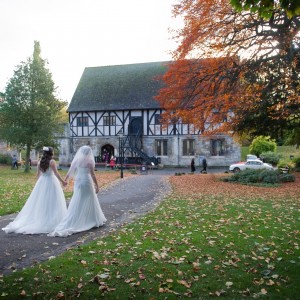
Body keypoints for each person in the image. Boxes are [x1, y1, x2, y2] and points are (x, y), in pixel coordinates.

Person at [3, 147, 67, 234]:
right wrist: (63, 182)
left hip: (42, 181)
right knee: (52, 201)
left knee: (41, 201)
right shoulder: (52, 162)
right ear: (51, 153)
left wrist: (38, 185)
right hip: (51, 182)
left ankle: (42, 217)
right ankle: (51, 218)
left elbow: (38, 175)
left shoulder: (40, 162)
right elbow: (56, 173)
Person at [49, 145, 106, 237]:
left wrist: (66, 180)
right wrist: (97, 185)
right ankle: (90, 219)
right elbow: (93, 174)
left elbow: (70, 171)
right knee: (89, 199)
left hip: (78, 181)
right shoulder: (90, 161)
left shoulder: (76, 160)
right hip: (86, 181)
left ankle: (76, 217)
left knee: (78, 199)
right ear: (89, 153)